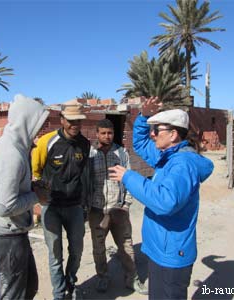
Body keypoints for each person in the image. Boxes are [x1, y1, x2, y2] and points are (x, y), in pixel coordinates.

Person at [109, 97, 214, 300]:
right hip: (160, 249)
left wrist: (128, 177)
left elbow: (165, 202)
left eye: (157, 130)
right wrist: (144, 116)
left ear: (173, 134)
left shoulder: (182, 164)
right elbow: (139, 142)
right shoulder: (167, 155)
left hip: (171, 254)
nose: (152, 134)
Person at [0, 94, 50, 300]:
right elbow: (4, 206)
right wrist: (36, 195)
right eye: (39, 123)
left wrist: (31, 187)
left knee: (27, 289)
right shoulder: (12, 154)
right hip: (7, 239)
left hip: (13, 235)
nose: (42, 129)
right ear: (27, 121)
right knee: (12, 295)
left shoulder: (13, 147)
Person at [31, 99, 90, 300]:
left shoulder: (85, 144)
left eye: (79, 121)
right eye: (71, 121)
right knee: (55, 255)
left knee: (77, 251)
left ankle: (71, 284)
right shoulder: (46, 142)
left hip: (74, 207)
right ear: (62, 119)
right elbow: (35, 172)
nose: (75, 125)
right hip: (52, 208)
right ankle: (59, 294)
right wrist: (41, 196)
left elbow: (82, 173)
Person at [88, 119, 148, 295]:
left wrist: (126, 204)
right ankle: (102, 277)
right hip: (97, 210)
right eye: (103, 133)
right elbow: (85, 181)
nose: (107, 136)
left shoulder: (122, 153)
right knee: (98, 248)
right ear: (97, 134)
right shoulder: (90, 154)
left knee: (126, 246)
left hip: (118, 209)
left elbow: (129, 179)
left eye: (110, 133)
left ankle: (133, 279)